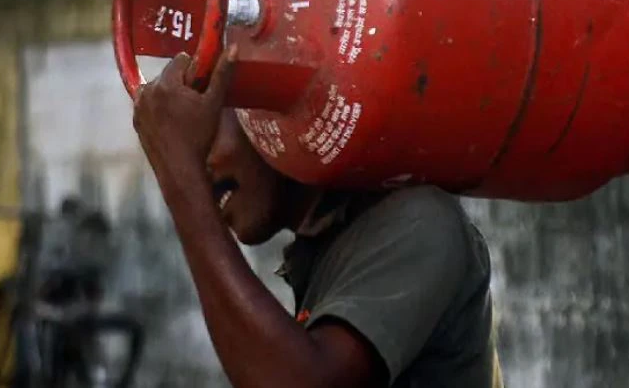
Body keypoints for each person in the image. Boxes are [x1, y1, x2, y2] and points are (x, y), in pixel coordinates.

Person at [131, 45, 504, 388]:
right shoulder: (326, 247)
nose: (199, 163)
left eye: (204, 133)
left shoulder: (419, 221)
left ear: (265, 107)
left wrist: (182, 179)